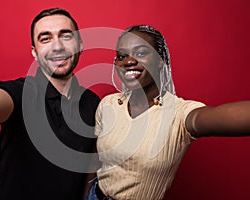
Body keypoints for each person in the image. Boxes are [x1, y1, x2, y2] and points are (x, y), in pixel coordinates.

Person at [85, 25, 250, 200]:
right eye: (121, 56)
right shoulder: (108, 104)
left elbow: (214, 117)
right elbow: (96, 159)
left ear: (160, 60)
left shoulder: (178, 113)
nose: (129, 61)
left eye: (141, 53)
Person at [0, 8, 100, 200]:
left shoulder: (93, 102)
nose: (57, 46)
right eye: (45, 39)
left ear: (80, 44)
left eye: (66, 36)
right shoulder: (20, 94)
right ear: (35, 52)